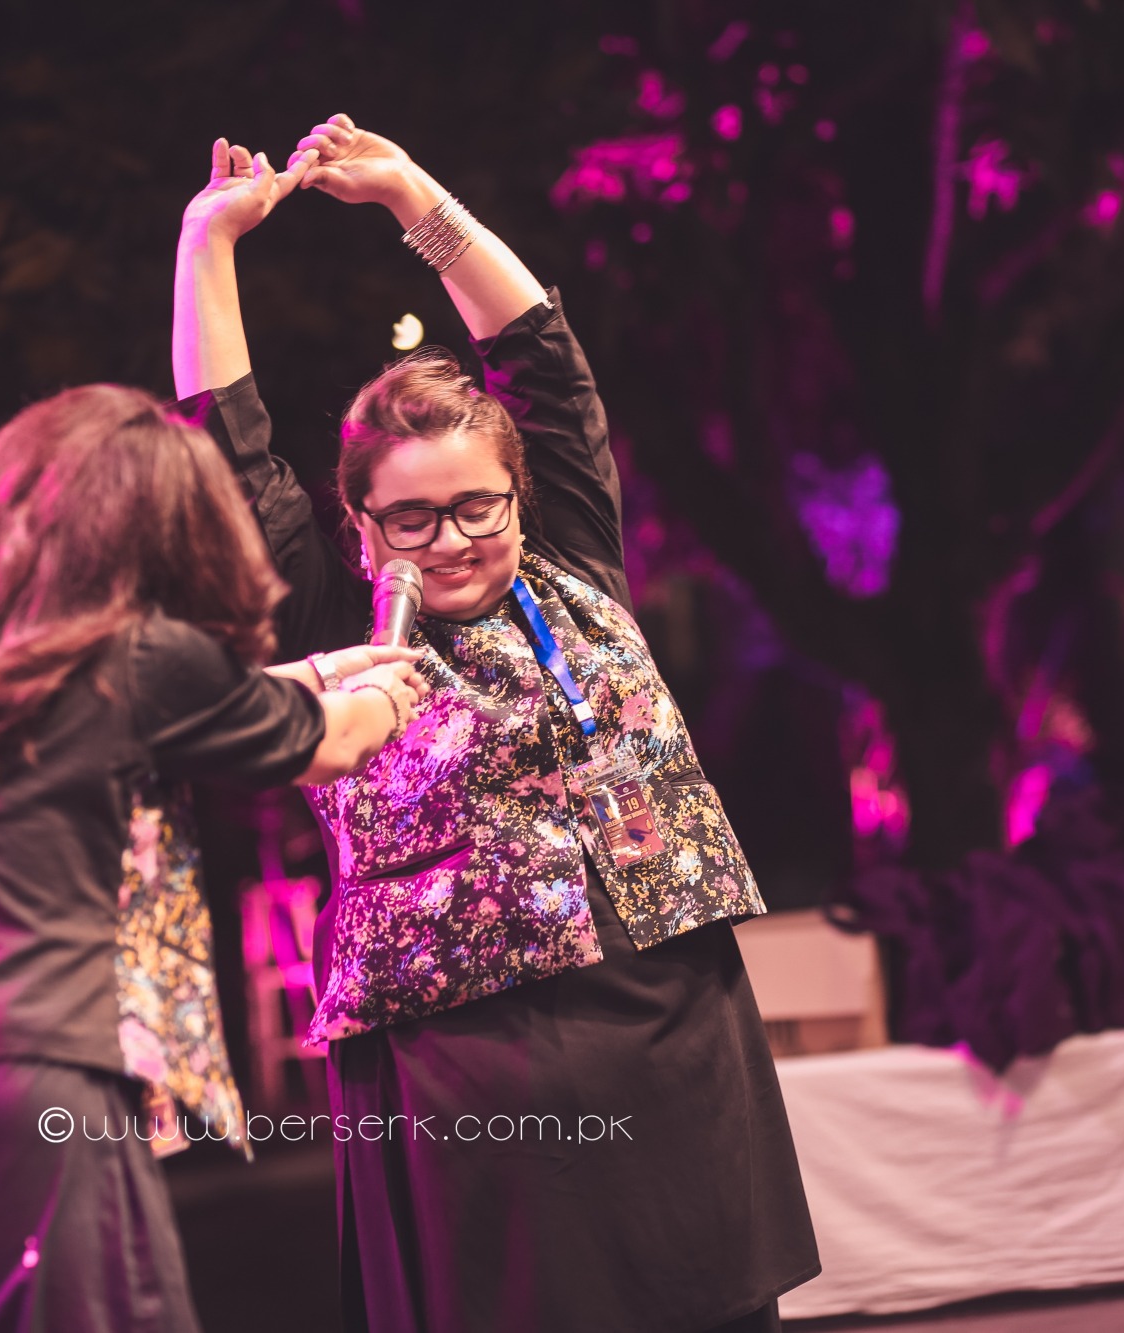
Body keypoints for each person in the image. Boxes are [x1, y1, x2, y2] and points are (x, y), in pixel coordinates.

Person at [172, 121, 820, 1333]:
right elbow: (225, 443)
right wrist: (205, 243)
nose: (453, 538)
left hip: (668, 1017)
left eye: (477, 505)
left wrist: (413, 195)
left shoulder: (572, 555)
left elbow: (542, 360)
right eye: (409, 520)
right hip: (463, 1064)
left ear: (519, 494)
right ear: (356, 525)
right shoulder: (331, 617)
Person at [0, 382, 424, 1333]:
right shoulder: (137, 657)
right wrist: (389, 683)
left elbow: (202, 712)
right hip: (21, 1103)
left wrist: (314, 675)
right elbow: (330, 741)